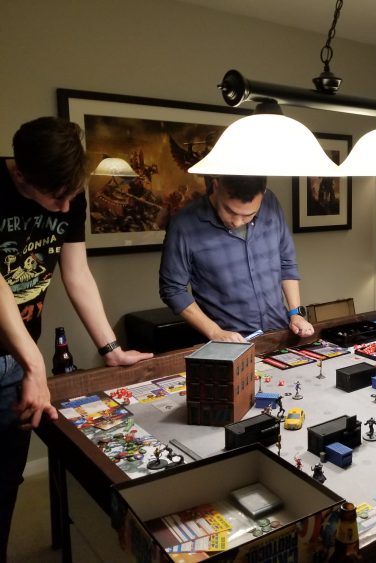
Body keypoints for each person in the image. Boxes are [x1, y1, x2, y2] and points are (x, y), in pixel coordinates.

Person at [0, 116, 153, 562]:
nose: (66, 208)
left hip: (13, 361)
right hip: (19, 358)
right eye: (56, 198)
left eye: (73, 196)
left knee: (6, 479)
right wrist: (35, 365)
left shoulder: (69, 194)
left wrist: (111, 349)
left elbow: (77, 272)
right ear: (21, 176)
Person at [159, 174, 314, 342]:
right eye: (230, 211)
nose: (238, 222)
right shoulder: (184, 224)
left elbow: (286, 263)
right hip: (229, 343)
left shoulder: (270, 202)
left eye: (249, 215)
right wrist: (215, 332)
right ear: (216, 186)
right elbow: (173, 289)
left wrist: (296, 314)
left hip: (279, 333)